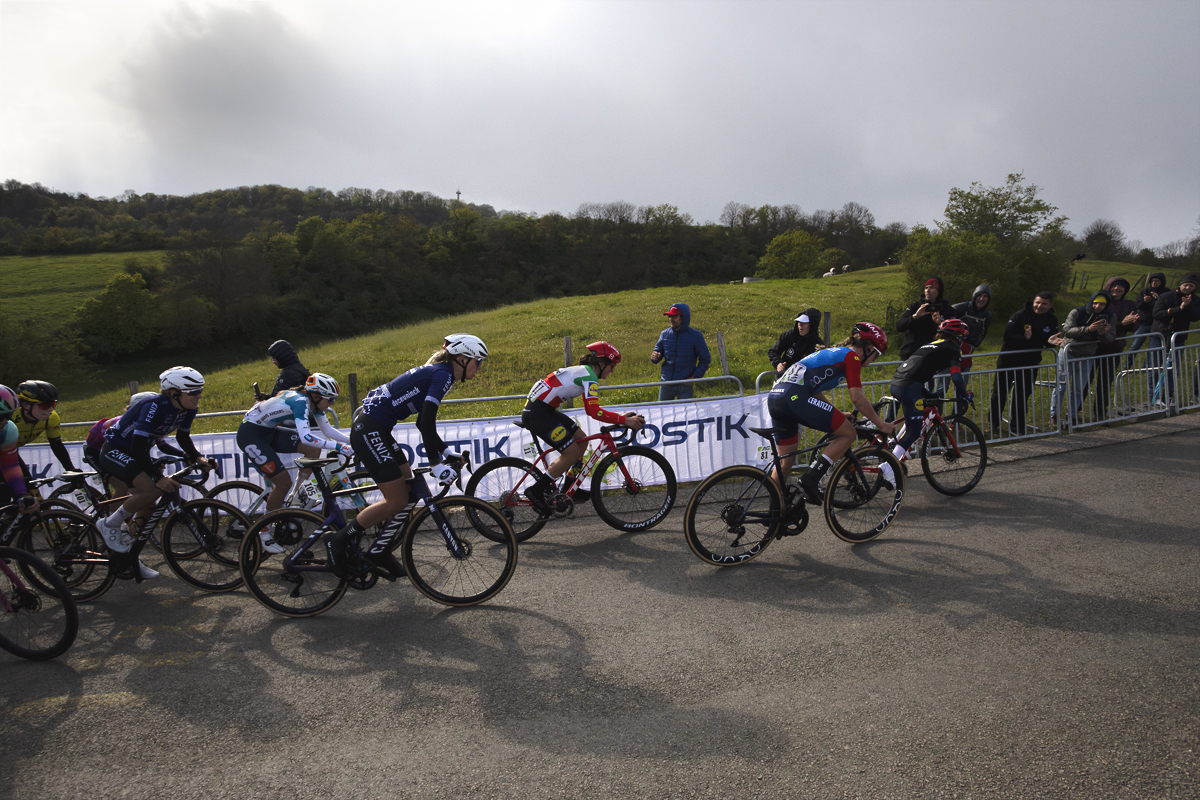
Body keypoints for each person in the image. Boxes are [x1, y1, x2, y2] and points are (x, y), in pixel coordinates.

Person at [325, 334, 488, 580]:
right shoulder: (443, 375)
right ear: (463, 359)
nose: (480, 367)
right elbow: (427, 420)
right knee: (397, 499)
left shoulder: (441, 373)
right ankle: (337, 542)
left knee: (407, 483)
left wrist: (445, 453)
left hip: (376, 427)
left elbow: (422, 423)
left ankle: (380, 549)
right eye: (479, 361)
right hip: (370, 430)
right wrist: (435, 464)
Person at [765, 322, 896, 503]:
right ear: (870, 349)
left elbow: (815, 390)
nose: (875, 359)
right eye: (877, 355)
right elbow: (857, 399)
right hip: (795, 397)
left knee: (786, 461)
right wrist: (881, 425)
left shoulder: (832, 353)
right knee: (848, 433)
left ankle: (775, 511)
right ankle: (811, 478)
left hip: (776, 398)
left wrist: (838, 414)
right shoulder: (852, 358)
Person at [96, 367, 216, 557]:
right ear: (174, 393)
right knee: (153, 489)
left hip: (136, 453)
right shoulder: (152, 406)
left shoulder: (188, 409)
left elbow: (183, 438)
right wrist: (158, 477)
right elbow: (137, 447)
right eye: (193, 392)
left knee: (147, 503)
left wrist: (198, 458)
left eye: (200, 390)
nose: (199, 396)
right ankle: (110, 524)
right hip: (115, 451)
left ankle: (128, 557)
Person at [520, 341, 646, 513]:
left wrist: (621, 418)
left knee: (582, 440)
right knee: (571, 452)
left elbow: (593, 410)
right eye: (612, 366)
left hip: (543, 409)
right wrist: (624, 421)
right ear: (602, 364)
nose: (612, 371)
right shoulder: (589, 376)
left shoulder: (584, 372)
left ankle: (569, 488)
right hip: (538, 413)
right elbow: (593, 411)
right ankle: (535, 491)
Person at [237, 373, 352, 553]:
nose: (332, 404)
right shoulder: (300, 402)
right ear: (316, 395)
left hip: (267, 431)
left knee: (314, 451)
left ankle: (296, 495)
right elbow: (306, 437)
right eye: (330, 399)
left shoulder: (312, 402)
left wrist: (353, 442)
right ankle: (264, 532)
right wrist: (340, 447)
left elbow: (328, 430)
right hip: (251, 435)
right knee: (283, 482)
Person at [889, 318, 972, 463]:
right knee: (914, 432)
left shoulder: (931, 344)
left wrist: (929, 394)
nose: (963, 342)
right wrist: (965, 396)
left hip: (897, 383)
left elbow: (915, 373)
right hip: (909, 386)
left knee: (914, 418)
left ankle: (893, 446)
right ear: (958, 337)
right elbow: (957, 377)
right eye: (963, 338)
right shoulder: (953, 349)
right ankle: (889, 466)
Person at [988, 292, 1064, 437]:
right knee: (999, 393)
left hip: (1030, 362)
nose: (1039, 306)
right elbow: (1008, 336)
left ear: (1050, 305)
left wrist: (1049, 343)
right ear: (1033, 301)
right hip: (1008, 361)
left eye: (1044, 304)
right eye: (1038, 302)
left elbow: (1051, 339)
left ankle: (1017, 427)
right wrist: (1025, 337)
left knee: (1022, 394)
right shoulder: (1020, 315)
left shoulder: (1051, 319)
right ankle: (994, 423)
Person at [1051, 290, 1115, 427]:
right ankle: (1054, 415)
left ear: (1107, 305)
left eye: (1102, 304)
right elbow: (1067, 331)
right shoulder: (1077, 312)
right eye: (1096, 303)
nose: (1098, 307)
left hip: (1087, 355)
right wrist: (1088, 329)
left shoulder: (1110, 316)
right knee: (1061, 386)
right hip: (1068, 351)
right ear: (1091, 301)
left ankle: (1072, 417)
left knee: (1079, 388)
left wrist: (1103, 334)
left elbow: (1110, 339)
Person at [1092, 277, 1141, 418]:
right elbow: (1098, 324)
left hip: (1114, 349)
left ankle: (1100, 414)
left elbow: (1134, 327)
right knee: (1084, 382)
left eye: (1121, 287)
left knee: (1105, 383)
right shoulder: (1100, 302)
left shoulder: (1130, 304)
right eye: (1114, 286)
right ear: (1109, 287)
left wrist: (1131, 322)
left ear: (1125, 290)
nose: (1117, 289)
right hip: (1095, 347)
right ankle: (1074, 414)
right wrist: (1122, 324)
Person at [1150, 273, 1200, 403]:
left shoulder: (1195, 300)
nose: (1188, 288)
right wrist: (1179, 308)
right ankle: (1152, 397)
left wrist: (1188, 306)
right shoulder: (1166, 297)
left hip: (1178, 338)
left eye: (1191, 285)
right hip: (1160, 335)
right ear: (1180, 285)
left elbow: (1195, 316)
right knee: (1154, 367)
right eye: (1186, 285)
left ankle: (1167, 397)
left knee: (1173, 369)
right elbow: (1157, 314)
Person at [9, 380, 77, 476]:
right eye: (44, 405)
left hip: (10, 450)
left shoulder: (52, 417)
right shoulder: (10, 417)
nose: (51, 409)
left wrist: (71, 469)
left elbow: (56, 445)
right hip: (4, 449)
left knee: (28, 485)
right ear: (26, 406)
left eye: (53, 404)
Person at [650, 303, 710, 401]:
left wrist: (694, 377)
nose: (671, 319)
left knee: (686, 414)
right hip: (666, 383)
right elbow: (657, 352)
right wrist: (655, 357)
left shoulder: (696, 336)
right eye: (670, 316)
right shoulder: (664, 334)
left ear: (683, 317)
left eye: (674, 316)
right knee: (663, 412)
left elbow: (705, 359)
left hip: (685, 384)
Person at [895, 277, 956, 359]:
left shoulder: (947, 309)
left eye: (932, 287)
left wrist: (940, 323)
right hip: (910, 354)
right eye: (926, 287)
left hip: (934, 354)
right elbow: (899, 326)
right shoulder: (915, 306)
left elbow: (954, 334)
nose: (928, 290)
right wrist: (915, 316)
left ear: (939, 290)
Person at [1125, 272, 1168, 369]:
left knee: (1152, 347)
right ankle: (1127, 365)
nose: (1154, 282)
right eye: (1152, 281)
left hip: (1158, 323)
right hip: (1143, 322)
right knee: (1135, 344)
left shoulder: (1166, 293)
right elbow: (1137, 306)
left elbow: (1167, 306)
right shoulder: (1145, 291)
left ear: (1162, 282)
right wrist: (1145, 301)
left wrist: (1158, 299)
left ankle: (1147, 366)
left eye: (1157, 281)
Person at [768, 308, 825, 373]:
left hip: (804, 381)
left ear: (813, 325)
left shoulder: (819, 346)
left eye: (804, 322)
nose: (800, 324)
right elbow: (773, 351)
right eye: (799, 321)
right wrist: (778, 363)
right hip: (782, 378)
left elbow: (820, 369)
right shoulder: (789, 335)